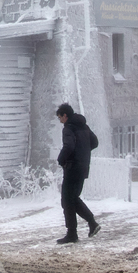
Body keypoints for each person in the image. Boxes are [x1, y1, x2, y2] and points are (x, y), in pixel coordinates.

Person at [55, 103, 101, 244]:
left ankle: (75, 232)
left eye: (60, 117)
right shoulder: (83, 126)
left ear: (65, 115)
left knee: (67, 200)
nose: (60, 121)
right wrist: (83, 153)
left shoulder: (68, 128)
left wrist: (61, 159)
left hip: (72, 168)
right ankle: (87, 226)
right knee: (72, 199)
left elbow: (69, 146)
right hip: (82, 167)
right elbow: (94, 142)